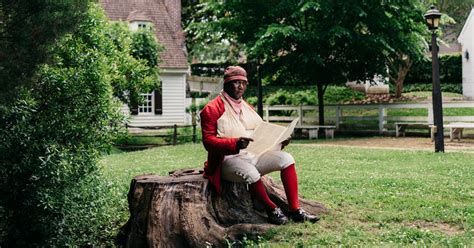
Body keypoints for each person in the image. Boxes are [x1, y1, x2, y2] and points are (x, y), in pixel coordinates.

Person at [200, 66, 319, 225]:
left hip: (252, 154)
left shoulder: (246, 107)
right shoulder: (212, 108)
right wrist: (235, 143)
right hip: (227, 161)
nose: (240, 86)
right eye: (235, 82)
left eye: (244, 83)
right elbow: (208, 141)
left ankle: (295, 210)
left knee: (287, 159)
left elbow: (260, 131)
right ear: (226, 84)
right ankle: (271, 209)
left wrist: (280, 141)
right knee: (251, 173)